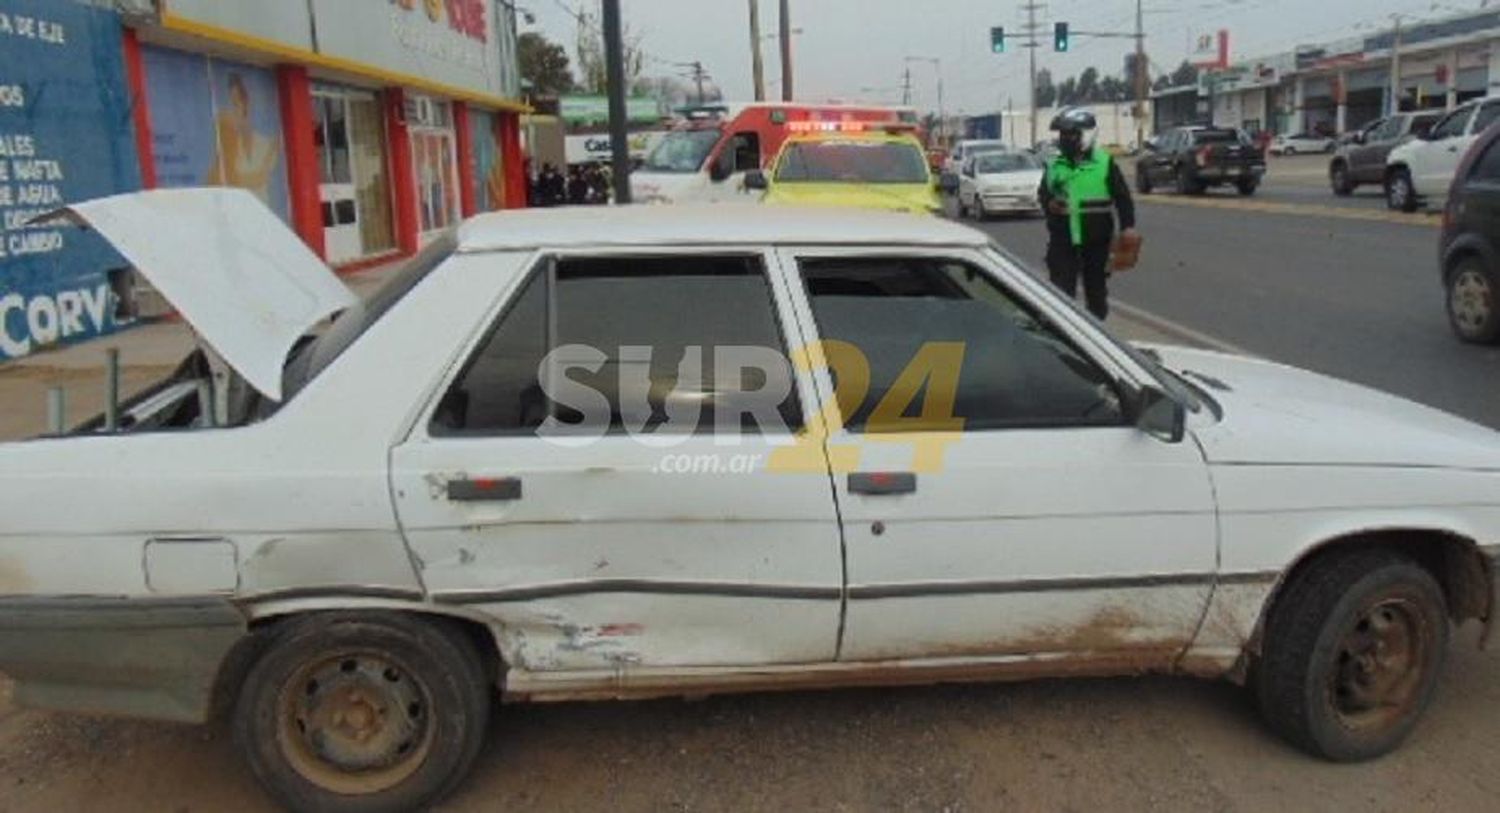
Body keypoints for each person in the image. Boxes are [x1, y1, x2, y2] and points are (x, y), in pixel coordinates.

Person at [1037, 107, 1137, 321]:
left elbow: (1122, 197)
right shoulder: (1055, 164)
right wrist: (1049, 203)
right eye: (1062, 135)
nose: (1064, 139)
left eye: (1070, 134)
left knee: (1096, 294)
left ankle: (1096, 338)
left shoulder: (1104, 163)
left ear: (1086, 135)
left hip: (1096, 240)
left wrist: (1128, 227)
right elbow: (1043, 194)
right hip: (1063, 240)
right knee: (1061, 295)